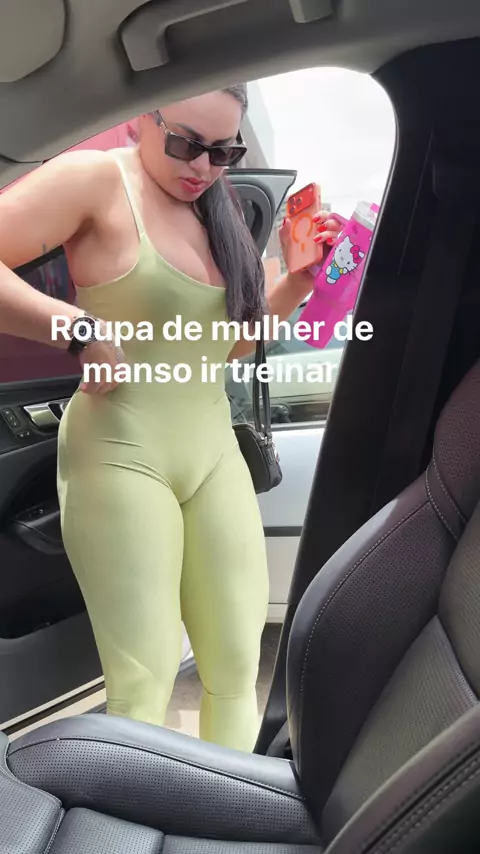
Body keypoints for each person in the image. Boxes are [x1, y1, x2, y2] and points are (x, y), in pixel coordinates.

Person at [0, 84, 342, 751]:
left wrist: (296, 281)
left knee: (236, 666)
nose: (204, 167)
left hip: (212, 449)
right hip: (120, 448)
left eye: (224, 151)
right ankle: (129, 810)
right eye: (187, 143)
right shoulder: (96, 180)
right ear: (143, 115)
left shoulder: (221, 212)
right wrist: (73, 328)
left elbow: (229, 346)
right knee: (145, 678)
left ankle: (220, 805)